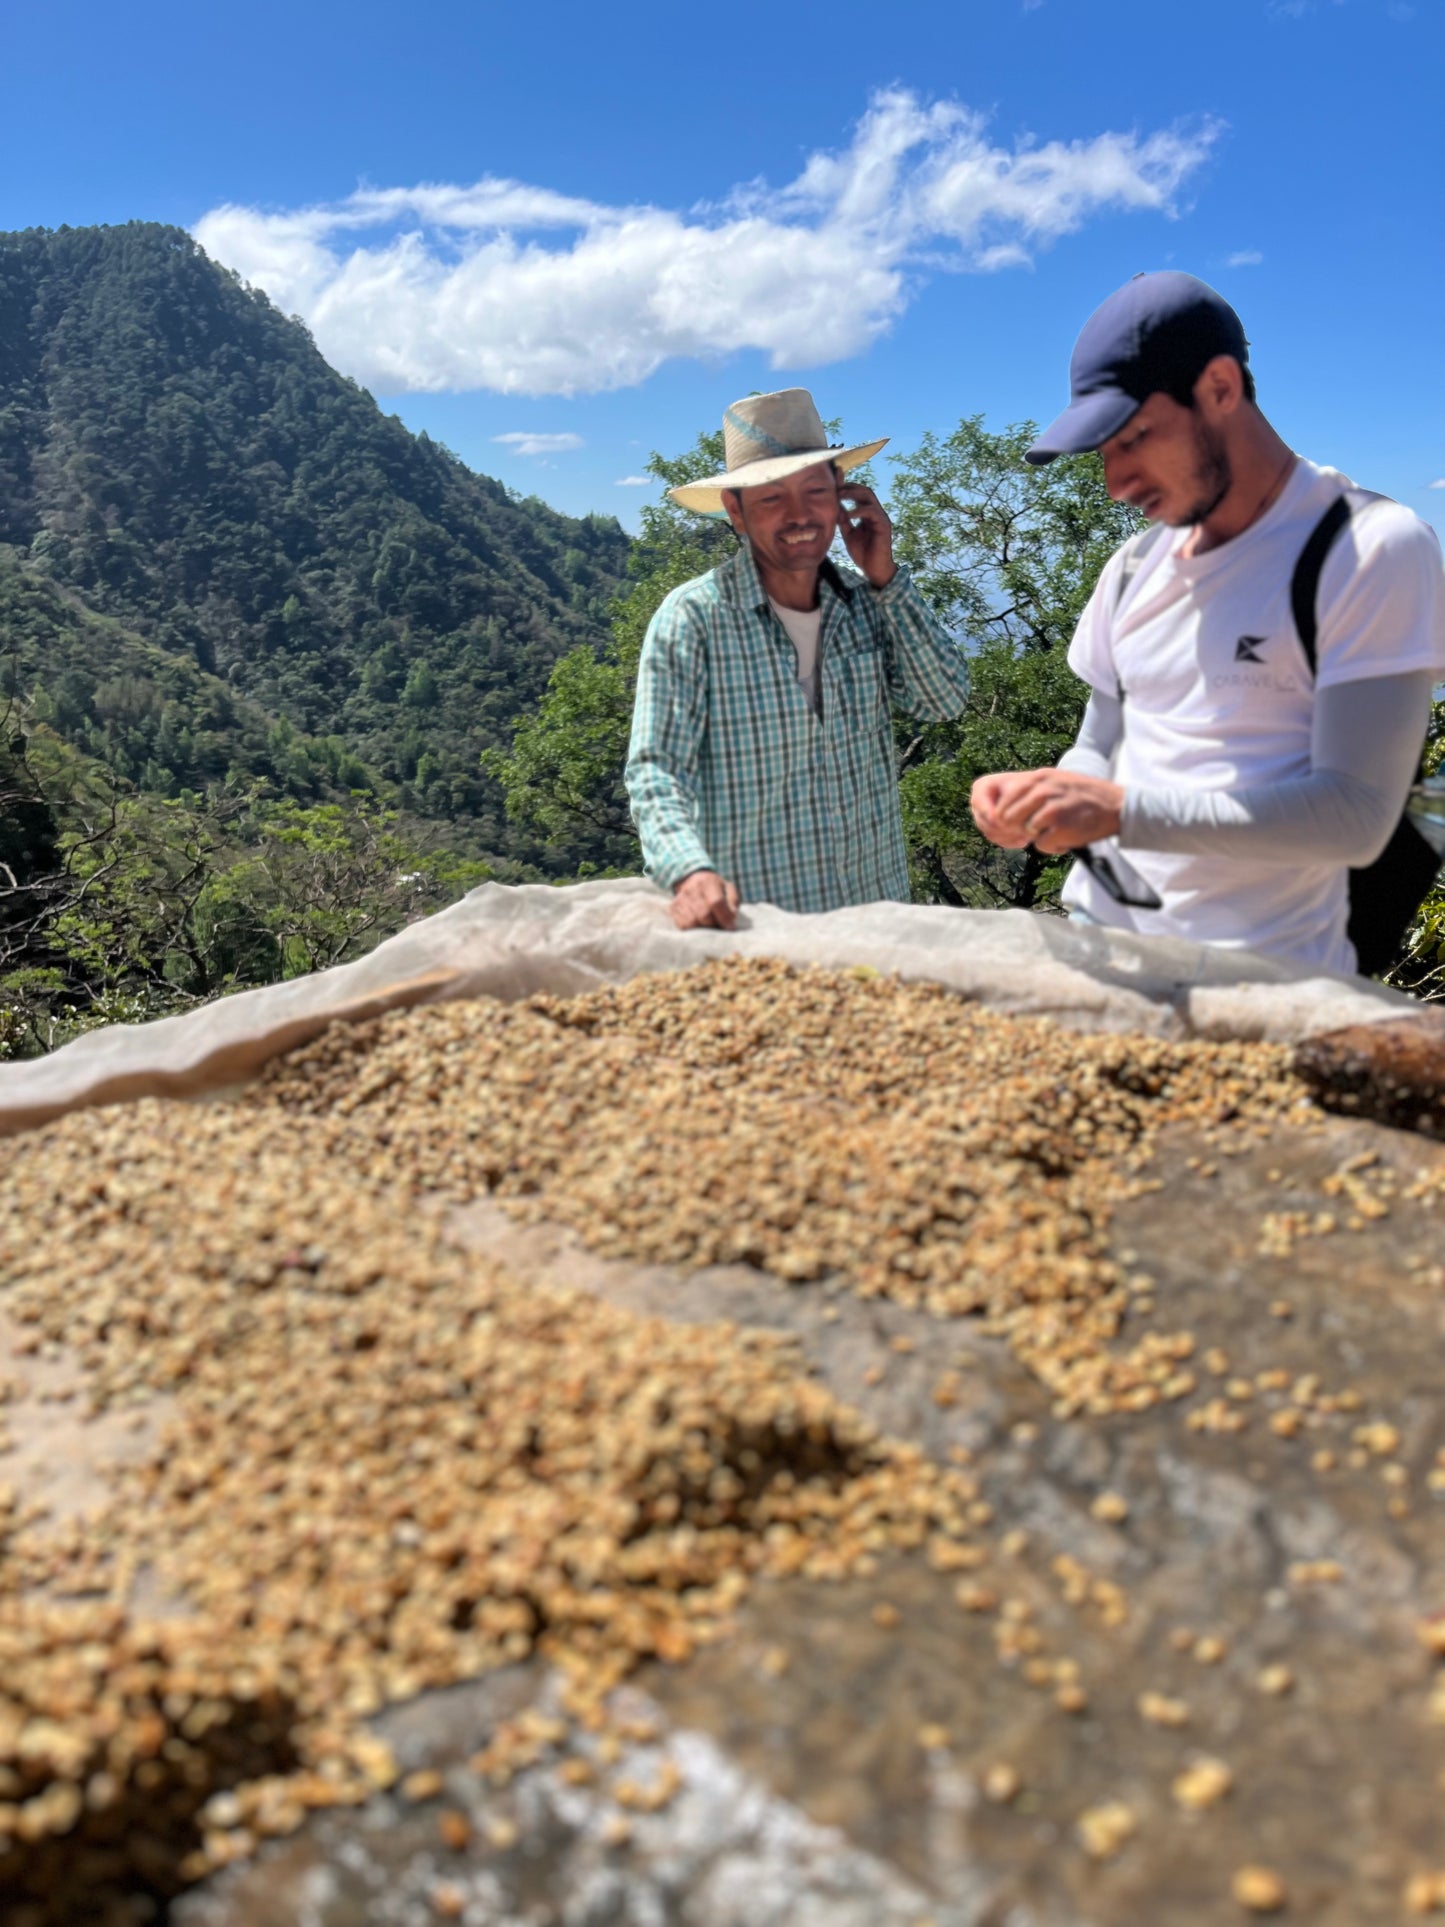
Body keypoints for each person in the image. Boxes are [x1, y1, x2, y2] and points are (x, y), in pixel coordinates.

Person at [971, 271, 1445, 975]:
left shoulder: (1365, 548)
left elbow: (1355, 815)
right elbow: (1098, 744)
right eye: (1104, 453)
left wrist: (1120, 811)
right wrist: (1051, 799)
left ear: (1220, 388)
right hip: (1102, 947)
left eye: (1134, 438)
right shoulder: (1132, 569)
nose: (1116, 484)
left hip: (1263, 981)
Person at [626, 388, 969, 929]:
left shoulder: (868, 602)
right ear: (735, 511)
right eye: (770, 498)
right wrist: (689, 871)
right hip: (757, 933)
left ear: (841, 495)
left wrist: (886, 577)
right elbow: (657, 771)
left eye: (815, 491)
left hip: (877, 920)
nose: (800, 515)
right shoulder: (694, 618)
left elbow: (944, 701)